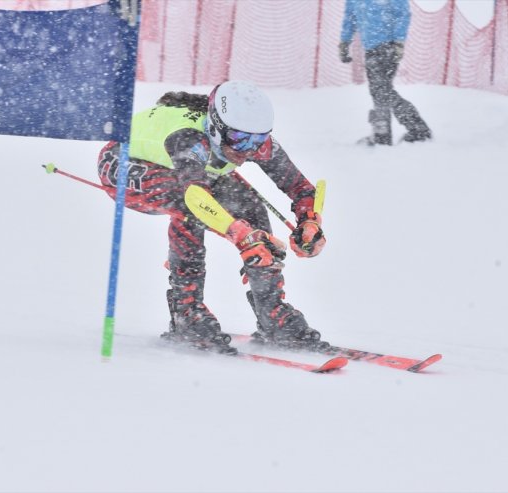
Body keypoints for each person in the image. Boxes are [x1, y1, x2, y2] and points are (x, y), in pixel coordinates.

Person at [96, 80, 327, 354]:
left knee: (250, 207)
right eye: (241, 140)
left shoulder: (247, 141)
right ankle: (186, 311)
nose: (248, 151)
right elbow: (195, 196)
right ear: (216, 127)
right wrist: (242, 236)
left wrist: (309, 221)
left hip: (188, 174)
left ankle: (271, 313)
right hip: (122, 164)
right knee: (186, 208)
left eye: (258, 141)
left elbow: (301, 188)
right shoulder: (188, 138)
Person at [339, 0, 432, 145]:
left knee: (381, 91)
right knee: (380, 92)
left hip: (387, 46)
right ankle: (382, 135)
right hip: (370, 48)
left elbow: (402, 13)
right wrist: (344, 42)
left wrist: (399, 41)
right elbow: (350, 17)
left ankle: (417, 128)